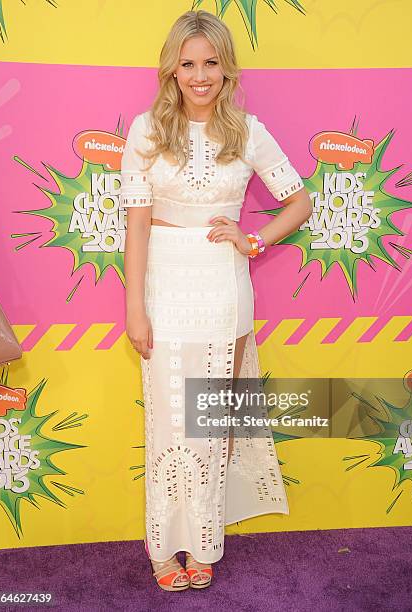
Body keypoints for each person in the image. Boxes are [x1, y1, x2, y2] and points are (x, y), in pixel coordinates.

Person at [119, 10, 312, 591]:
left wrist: (254, 239)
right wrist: (134, 308)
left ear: (226, 69)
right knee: (168, 425)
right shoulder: (146, 131)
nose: (200, 75)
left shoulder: (246, 131)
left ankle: (202, 544)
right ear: (171, 69)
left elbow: (300, 202)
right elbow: (136, 227)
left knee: (208, 426)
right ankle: (162, 549)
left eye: (211, 63)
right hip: (164, 286)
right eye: (188, 63)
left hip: (224, 291)